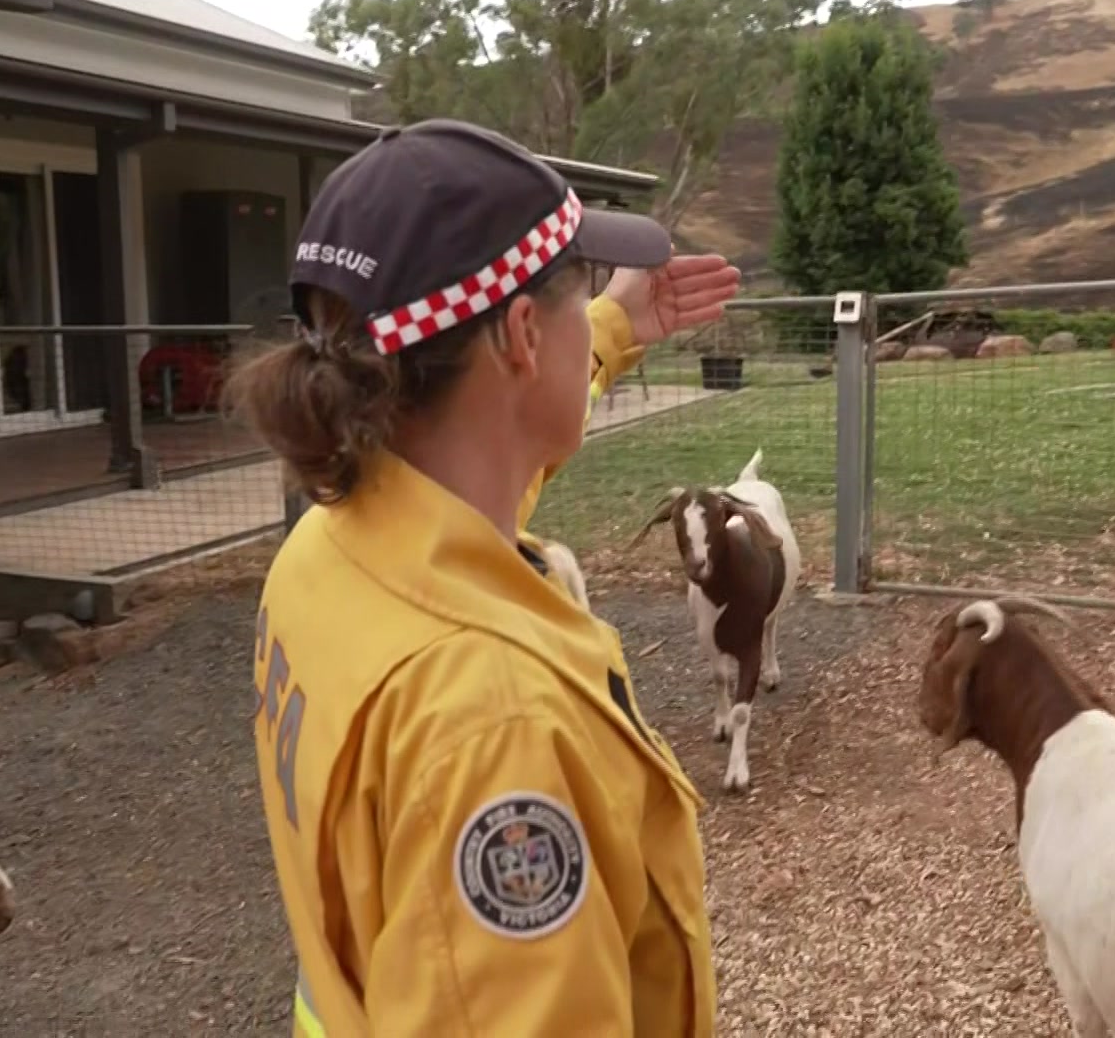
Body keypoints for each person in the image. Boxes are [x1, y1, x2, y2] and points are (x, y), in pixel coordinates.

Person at [229, 117, 741, 1038]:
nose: (592, 306)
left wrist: (615, 327)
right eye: (580, 291)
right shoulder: (497, 725)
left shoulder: (331, 549)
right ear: (518, 336)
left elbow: (494, 470)